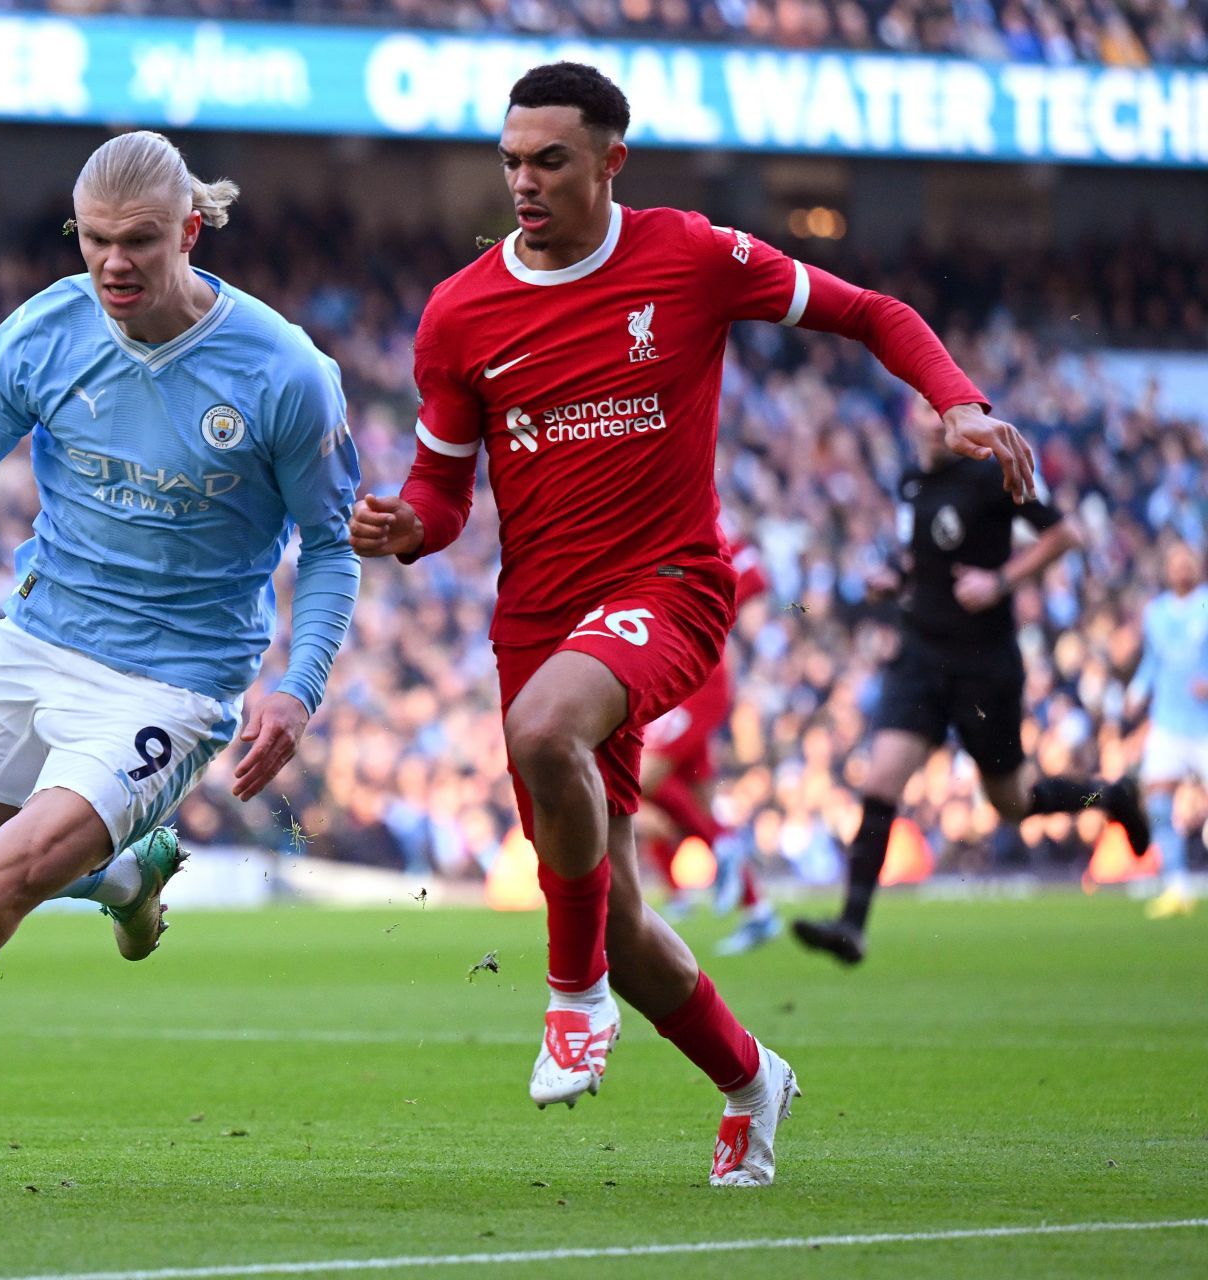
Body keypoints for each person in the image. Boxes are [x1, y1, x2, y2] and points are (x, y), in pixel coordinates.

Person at [350, 61, 1037, 1187]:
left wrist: (954, 398)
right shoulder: (460, 311)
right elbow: (441, 491)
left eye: (550, 161)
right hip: (535, 617)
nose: (524, 182)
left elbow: (869, 312)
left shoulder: (691, 255)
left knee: (539, 734)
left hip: (669, 583)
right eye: (512, 162)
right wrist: (402, 530)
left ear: (611, 159)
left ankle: (568, 997)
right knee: (621, 920)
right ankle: (751, 1077)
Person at [0, 131, 361, 1137]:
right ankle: (121, 873)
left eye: (138, 241)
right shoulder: (43, 332)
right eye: (93, 241)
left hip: (171, 688)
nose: (113, 264)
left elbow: (333, 548)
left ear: (191, 228)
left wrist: (297, 684)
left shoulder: (285, 373)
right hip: (35, 645)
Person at [793, 405, 1150, 963]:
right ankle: (852, 925)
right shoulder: (911, 481)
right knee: (881, 779)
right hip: (920, 655)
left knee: (1012, 802)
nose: (936, 424)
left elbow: (1063, 535)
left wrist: (1000, 580)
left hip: (984, 664)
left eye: (946, 415)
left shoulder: (991, 474)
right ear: (912, 416)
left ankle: (1108, 796)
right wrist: (898, 577)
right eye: (927, 412)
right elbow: (927, 554)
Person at [636, 526, 779, 955]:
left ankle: (721, 848)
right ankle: (759, 912)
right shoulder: (661, 528)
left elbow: (753, 579)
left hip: (698, 679)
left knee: (642, 777)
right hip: (674, 674)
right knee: (692, 802)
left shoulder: (699, 527)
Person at [1132, 540, 1208, 919]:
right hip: (1167, 721)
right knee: (1157, 799)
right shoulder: (1156, 613)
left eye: (1187, 561)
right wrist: (1136, 689)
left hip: (1205, 723)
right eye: (1175, 562)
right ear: (1166, 569)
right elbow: (1152, 661)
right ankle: (1176, 884)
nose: (1181, 568)